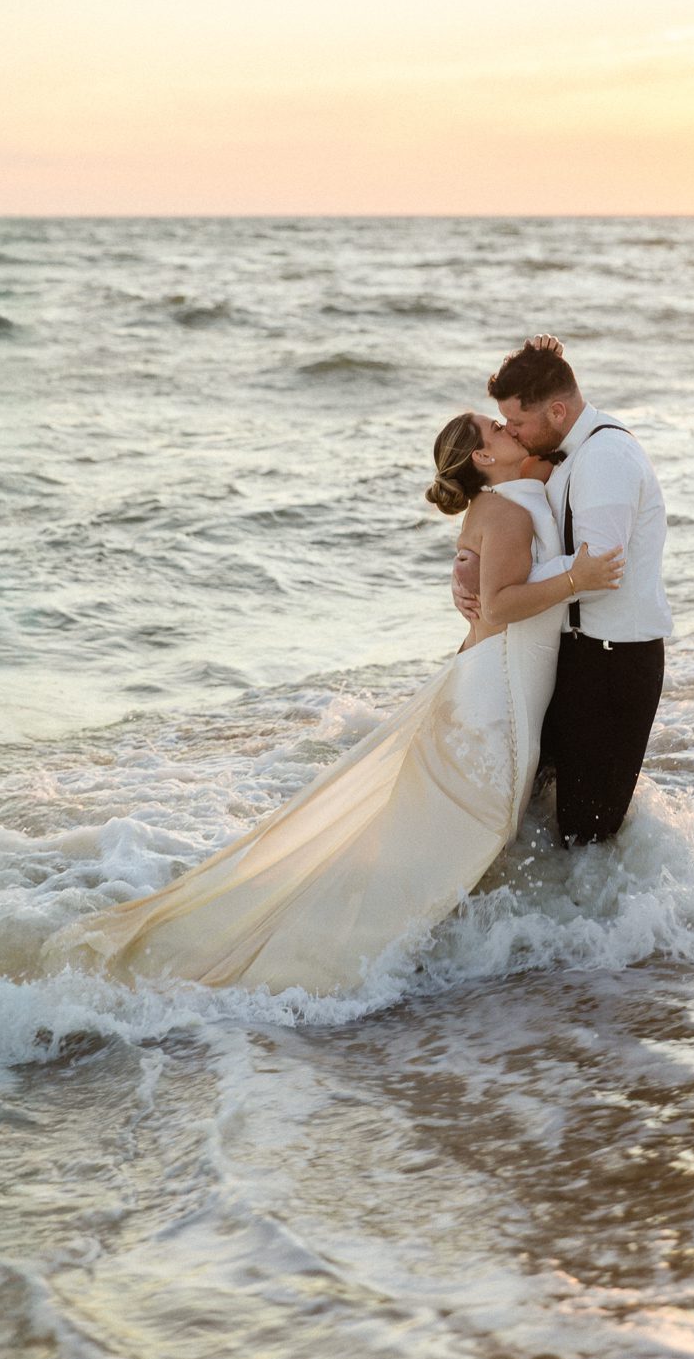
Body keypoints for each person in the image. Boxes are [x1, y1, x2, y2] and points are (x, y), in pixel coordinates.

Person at [42, 411, 621, 997]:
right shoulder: (503, 509)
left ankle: (444, 950)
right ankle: (388, 956)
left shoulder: (516, 495)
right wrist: (579, 577)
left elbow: (536, 487)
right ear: (481, 458)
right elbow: (496, 606)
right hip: (498, 684)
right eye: (495, 427)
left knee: (469, 820)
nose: (506, 426)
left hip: (502, 673)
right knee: (477, 821)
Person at [458, 338, 673, 846]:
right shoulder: (558, 453)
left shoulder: (605, 458)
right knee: (534, 814)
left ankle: (610, 922)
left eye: (517, 423)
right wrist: (471, 567)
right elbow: (499, 504)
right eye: (503, 424)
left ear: (557, 410)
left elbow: (599, 572)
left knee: (586, 833)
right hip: (572, 657)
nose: (511, 431)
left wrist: (497, 592)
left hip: (615, 665)